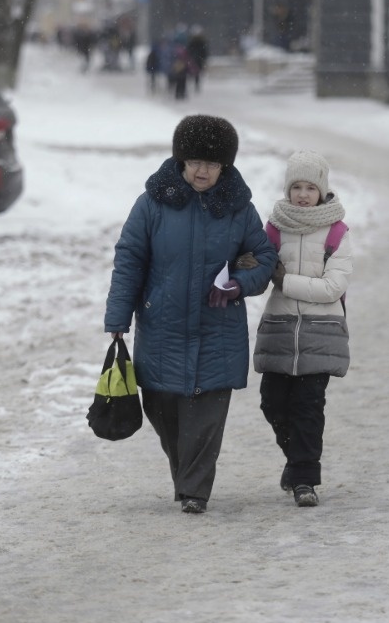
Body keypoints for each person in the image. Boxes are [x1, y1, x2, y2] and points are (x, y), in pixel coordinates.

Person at [104, 115, 278, 514]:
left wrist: (239, 283)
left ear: (225, 166)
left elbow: (265, 256)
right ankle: (186, 474)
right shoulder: (152, 204)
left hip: (217, 329)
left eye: (212, 163)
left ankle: (195, 490)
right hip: (162, 326)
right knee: (163, 412)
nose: (202, 171)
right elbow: (129, 258)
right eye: (195, 161)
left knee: (206, 416)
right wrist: (118, 317)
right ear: (181, 160)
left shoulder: (238, 208)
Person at [253, 150, 353, 508]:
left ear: (322, 190)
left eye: (310, 187)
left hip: (320, 331)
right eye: (296, 186)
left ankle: (305, 481)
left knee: (308, 407)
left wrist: (286, 280)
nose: (302, 194)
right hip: (280, 328)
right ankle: (297, 462)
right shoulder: (274, 227)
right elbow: (260, 269)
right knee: (272, 402)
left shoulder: (337, 232)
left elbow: (332, 288)